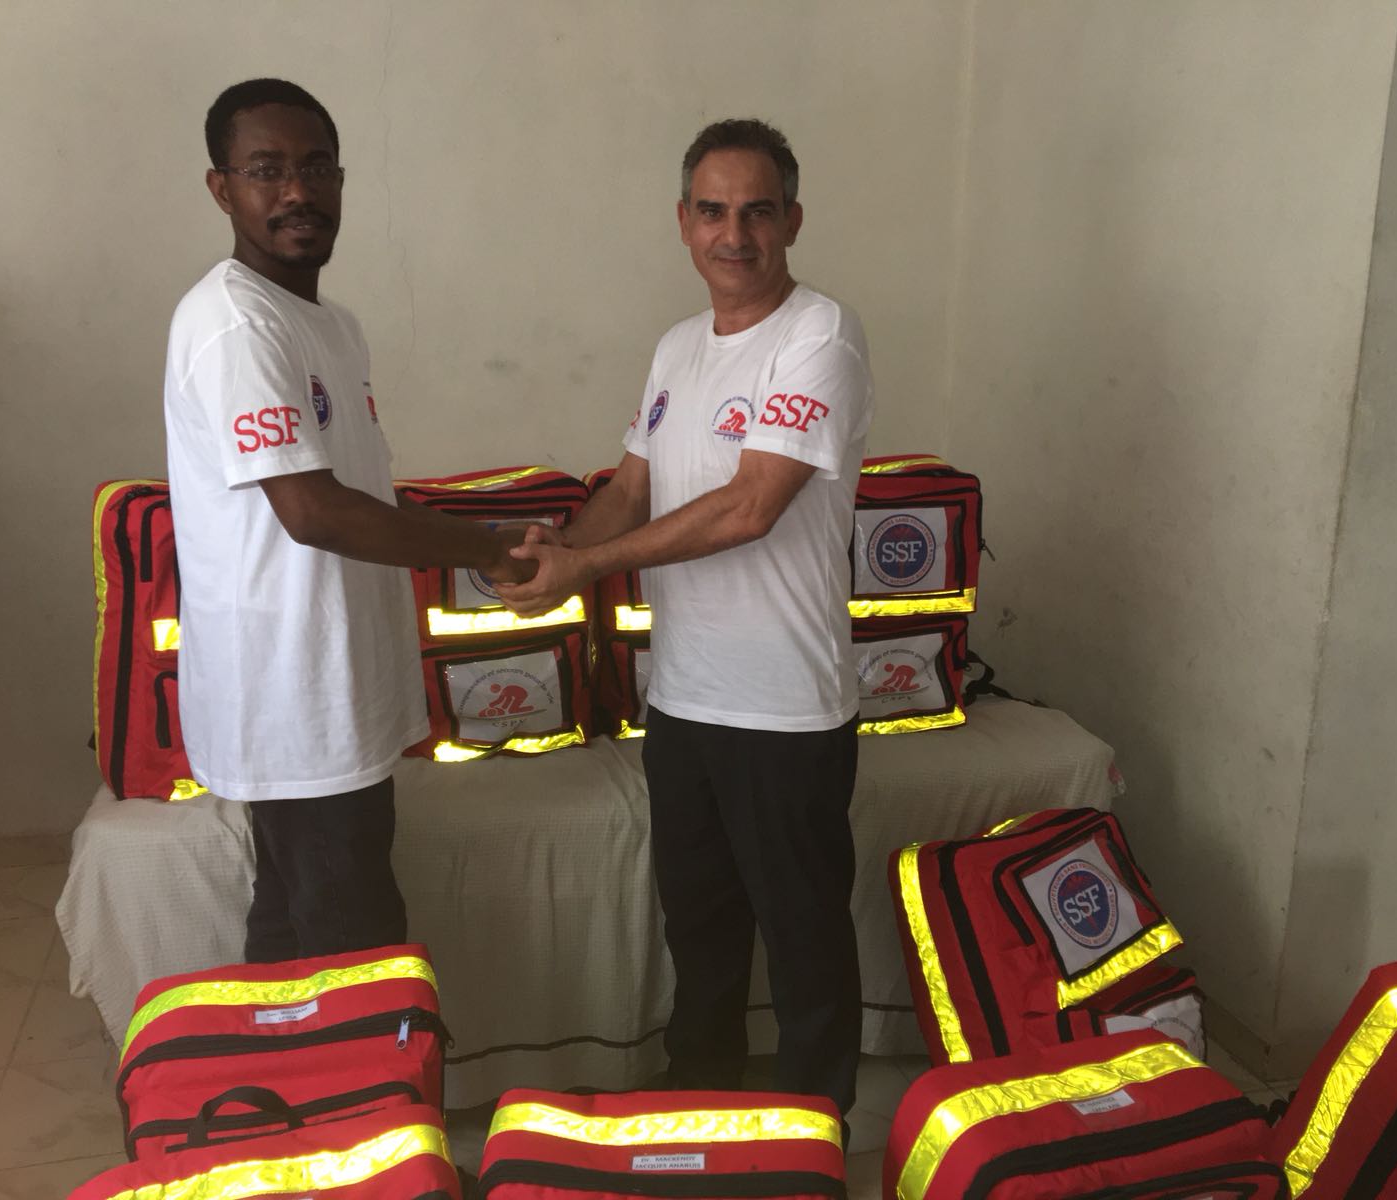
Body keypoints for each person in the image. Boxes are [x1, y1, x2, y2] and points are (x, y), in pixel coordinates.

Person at [497, 118, 873, 1122]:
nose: (733, 233)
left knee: (803, 949)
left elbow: (751, 505)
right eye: (712, 210)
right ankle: (701, 1116)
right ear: (682, 221)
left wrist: (589, 565)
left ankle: (809, 1145)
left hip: (787, 713)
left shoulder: (818, 337)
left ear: (791, 218)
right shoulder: (676, 347)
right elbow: (633, 486)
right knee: (699, 931)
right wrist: (556, 558)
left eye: (756, 210)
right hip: (687, 703)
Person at [165, 78, 532, 964]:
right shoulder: (236, 324)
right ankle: (355, 1105)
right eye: (267, 170)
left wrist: (492, 541)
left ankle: (286, 1095)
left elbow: (359, 491)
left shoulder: (328, 323)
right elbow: (314, 512)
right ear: (223, 188)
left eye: (317, 167)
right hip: (292, 697)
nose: (297, 191)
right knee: (355, 954)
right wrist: (491, 555)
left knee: (294, 926)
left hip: (333, 689)